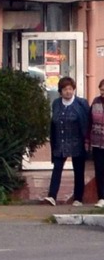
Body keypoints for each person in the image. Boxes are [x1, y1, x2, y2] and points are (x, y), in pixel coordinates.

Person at [47, 76, 90, 207]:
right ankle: (52, 196)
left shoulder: (81, 103)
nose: (68, 92)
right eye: (65, 89)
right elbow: (53, 122)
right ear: (60, 91)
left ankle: (78, 198)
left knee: (78, 170)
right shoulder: (56, 103)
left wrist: (87, 140)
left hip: (77, 141)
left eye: (70, 89)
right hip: (60, 141)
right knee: (57, 168)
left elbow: (86, 122)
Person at [91, 79, 104, 208]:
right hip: (97, 142)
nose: (103, 92)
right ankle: (101, 197)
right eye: (101, 89)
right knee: (99, 171)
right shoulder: (95, 102)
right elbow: (90, 121)